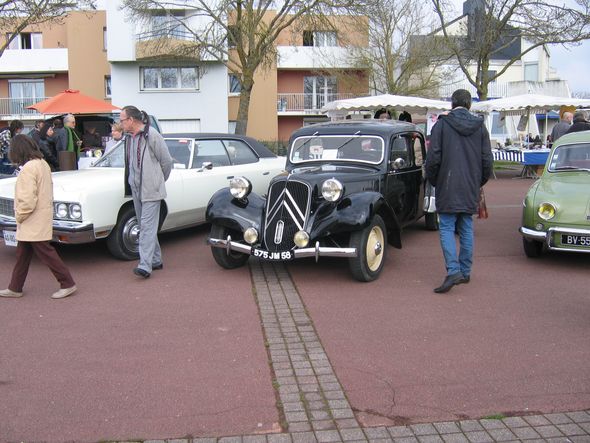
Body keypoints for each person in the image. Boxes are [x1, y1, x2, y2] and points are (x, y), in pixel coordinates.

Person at [425, 89, 493, 294]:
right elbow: (487, 160)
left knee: (446, 226)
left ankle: (453, 270)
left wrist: (435, 180)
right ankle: (464, 270)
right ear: (469, 104)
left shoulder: (442, 125)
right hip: (470, 183)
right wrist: (478, 181)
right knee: (465, 226)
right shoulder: (480, 127)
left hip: (447, 181)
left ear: (452, 104)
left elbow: (433, 158)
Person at [0, 135, 76, 300]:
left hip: (31, 218)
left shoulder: (28, 168)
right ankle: (15, 287)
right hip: (40, 215)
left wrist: (19, 216)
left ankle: (67, 283)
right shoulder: (42, 164)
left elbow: (27, 200)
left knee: (45, 252)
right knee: (24, 254)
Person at [121, 105, 173, 278]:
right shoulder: (129, 138)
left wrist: (157, 181)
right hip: (136, 190)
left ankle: (145, 265)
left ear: (131, 120)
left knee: (146, 228)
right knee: (146, 227)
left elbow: (166, 162)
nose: (120, 123)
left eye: (122, 120)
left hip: (151, 190)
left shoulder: (152, 135)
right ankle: (156, 260)